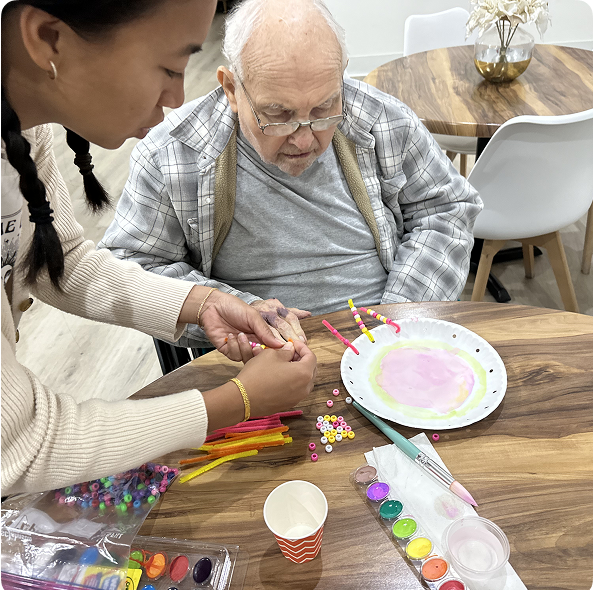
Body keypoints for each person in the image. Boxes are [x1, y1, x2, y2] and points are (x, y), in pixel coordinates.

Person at [1, 0, 317, 497]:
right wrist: (238, 401)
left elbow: (61, 260)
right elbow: (23, 444)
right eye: (169, 68)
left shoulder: (24, 129)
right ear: (48, 39)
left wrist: (202, 302)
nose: (177, 97)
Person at [99, 0, 483, 350]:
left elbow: (446, 209)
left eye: (324, 109)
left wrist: (394, 322)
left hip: (386, 339)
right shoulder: (171, 154)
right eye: (278, 115)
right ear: (231, 89)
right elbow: (132, 266)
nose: (304, 139)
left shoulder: (383, 119)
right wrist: (239, 312)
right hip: (255, 361)